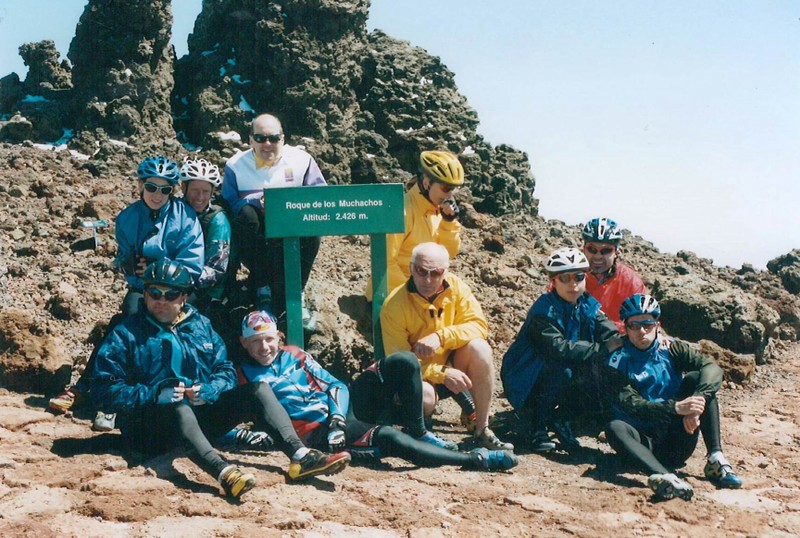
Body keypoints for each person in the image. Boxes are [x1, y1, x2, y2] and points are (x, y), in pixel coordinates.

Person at [88, 260, 351, 499]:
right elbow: (102, 388)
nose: (161, 301)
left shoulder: (200, 325)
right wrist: (155, 394)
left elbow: (225, 370)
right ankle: (224, 472)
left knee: (257, 389)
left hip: (199, 420)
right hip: (148, 428)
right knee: (177, 406)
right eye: (154, 293)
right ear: (144, 294)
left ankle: (300, 456)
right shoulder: (126, 333)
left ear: (184, 297)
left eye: (171, 294)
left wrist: (209, 390)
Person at [237, 311, 518, 472]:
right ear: (243, 343)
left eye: (269, 339)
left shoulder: (294, 353)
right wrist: (248, 436)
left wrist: (337, 418)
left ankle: (419, 431)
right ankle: (474, 459)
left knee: (404, 360)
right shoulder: (242, 377)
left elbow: (335, 385)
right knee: (391, 438)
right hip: (319, 434)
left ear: (278, 337)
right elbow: (223, 421)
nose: (264, 348)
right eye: (255, 341)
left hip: (341, 412)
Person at [48, 156, 205, 431]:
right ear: (141, 186)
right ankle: (97, 392)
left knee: (136, 326)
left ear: (173, 190)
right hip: (142, 288)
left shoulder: (186, 217)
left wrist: (156, 268)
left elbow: (192, 265)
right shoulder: (127, 218)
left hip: (177, 292)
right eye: (151, 187)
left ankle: (99, 395)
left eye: (165, 189)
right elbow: (125, 259)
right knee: (124, 325)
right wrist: (129, 265)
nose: (157, 195)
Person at [603, 294, 743, 501]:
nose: (641, 331)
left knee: (697, 380)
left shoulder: (672, 347)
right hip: (642, 443)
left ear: (657, 325)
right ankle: (665, 477)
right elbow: (631, 404)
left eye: (647, 324)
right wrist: (676, 408)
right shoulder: (617, 359)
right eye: (634, 325)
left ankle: (716, 458)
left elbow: (711, 368)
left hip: (677, 439)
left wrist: (696, 403)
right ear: (625, 327)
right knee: (614, 427)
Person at [380, 242, 513, 451]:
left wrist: (441, 337)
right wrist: (441, 373)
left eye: (435, 273)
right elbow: (400, 363)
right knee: (425, 397)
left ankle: (482, 429)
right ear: (411, 268)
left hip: (453, 366)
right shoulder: (394, 305)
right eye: (421, 271)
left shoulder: (457, 288)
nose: (427, 279)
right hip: (421, 376)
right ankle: (416, 428)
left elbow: (479, 326)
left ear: (445, 271)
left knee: (480, 349)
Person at [501, 247, 622, 453]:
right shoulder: (544, 310)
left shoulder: (586, 304)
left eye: (579, 277)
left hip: (558, 369)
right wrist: (602, 349)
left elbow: (608, 332)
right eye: (565, 278)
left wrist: (620, 342)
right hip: (524, 377)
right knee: (562, 369)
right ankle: (536, 425)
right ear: (553, 281)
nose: (573, 284)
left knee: (604, 369)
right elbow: (558, 348)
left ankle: (561, 419)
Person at [222, 113, 324, 330]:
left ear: (283, 139)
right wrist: (256, 201)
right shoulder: (235, 165)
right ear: (250, 140)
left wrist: (285, 204)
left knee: (313, 227)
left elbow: (319, 196)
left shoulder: (303, 161)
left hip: (292, 231)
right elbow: (229, 201)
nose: (267, 144)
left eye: (273, 138)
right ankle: (262, 290)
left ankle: (296, 294)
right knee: (246, 216)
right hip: (257, 235)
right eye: (260, 138)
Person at [365, 150, 463, 303]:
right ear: (426, 182)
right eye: (446, 188)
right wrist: (416, 296)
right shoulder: (402, 212)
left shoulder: (436, 210)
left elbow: (448, 254)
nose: (450, 195)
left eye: (454, 189)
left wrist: (448, 223)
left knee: (461, 296)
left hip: (420, 291)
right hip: (393, 297)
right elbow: (385, 264)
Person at [179, 157, 232, 318]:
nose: (200, 197)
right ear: (184, 187)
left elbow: (216, 268)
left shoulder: (218, 220)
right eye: (195, 190)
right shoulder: (174, 211)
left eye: (206, 192)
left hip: (205, 289)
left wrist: (181, 285)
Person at [581, 217, 647, 332]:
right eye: (592, 249)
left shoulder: (631, 282)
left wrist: (603, 325)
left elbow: (643, 323)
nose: (598, 256)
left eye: (606, 250)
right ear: (584, 249)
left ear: (616, 252)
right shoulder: (570, 277)